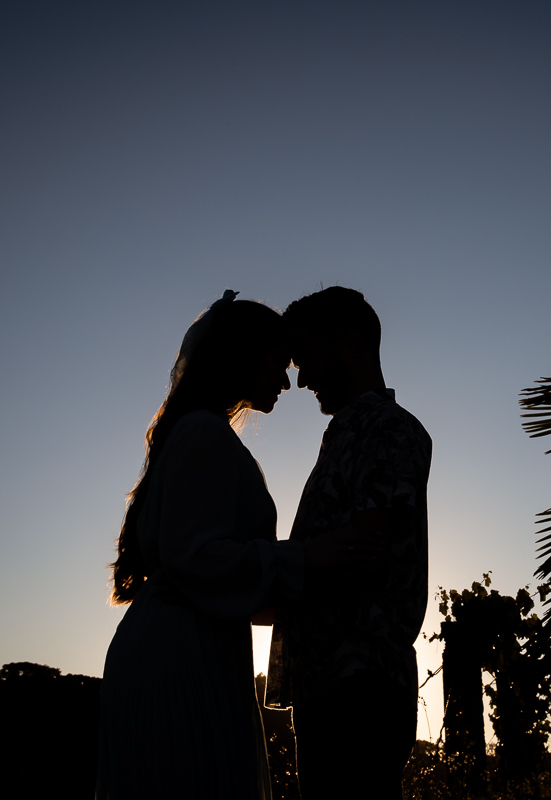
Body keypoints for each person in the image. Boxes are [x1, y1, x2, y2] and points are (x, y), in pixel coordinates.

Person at [96, 290, 380, 800]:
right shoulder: (203, 434)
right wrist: (306, 557)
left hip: (199, 645)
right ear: (243, 358)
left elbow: (213, 568)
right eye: (279, 363)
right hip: (180, 655)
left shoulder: (204, 435)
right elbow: (194, 556)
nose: (288, 382)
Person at [265, 287, 432, 800]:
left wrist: (263, 571)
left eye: (307, 359)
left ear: (351, 342)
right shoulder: (349, 433)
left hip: (358, 691)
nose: (302, 380)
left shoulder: (386, 428)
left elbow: (365, 551)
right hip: (331, 688)